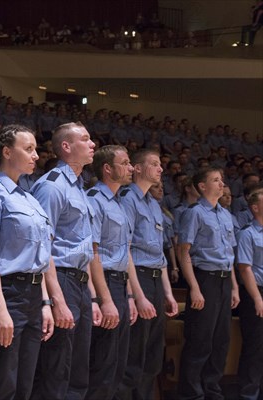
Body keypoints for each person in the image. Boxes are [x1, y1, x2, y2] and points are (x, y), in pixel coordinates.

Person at [0, 125, 54, 400]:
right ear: (6, 151)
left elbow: (38, 259)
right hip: (7, 293)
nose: (35, 155)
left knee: (24, 384)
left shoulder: (29, 199)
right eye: (28, 149)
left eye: (36, 149)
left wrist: (44, 303)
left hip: (31, 294)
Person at [30, 122, 101, 400]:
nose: (93, 144)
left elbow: (83, 249)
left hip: (80, 285)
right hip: (61, 280)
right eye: (85, 139)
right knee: (56, 367)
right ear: (66, 147)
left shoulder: (80, 188)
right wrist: (56, 300)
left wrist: (92, 297)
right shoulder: (52, 187)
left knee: (78, 369)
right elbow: (42, 248)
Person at [117, 149, 178, 400]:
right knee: (134, 351)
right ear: (138, 169)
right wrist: (137, 295)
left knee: (153, 353)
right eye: (154, 164)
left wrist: (168, 293)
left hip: (154, 278)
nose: (161, 169)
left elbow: (159, 255)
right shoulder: (127, 198)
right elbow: (126, 249)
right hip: (137, 277)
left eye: (161, 164)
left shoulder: (155, 204)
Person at [177, 167, 240, 400]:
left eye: (222, 179)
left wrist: (234, 286)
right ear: (202, 186)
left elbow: (229, 255)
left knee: (221, 340)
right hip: (205, 279)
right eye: (215, 180)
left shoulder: (225, 214)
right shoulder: (194, 213)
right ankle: (191, 393)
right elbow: (184, 251)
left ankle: (212, 388)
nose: (221, 183)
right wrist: (194, 287)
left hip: (224, 281)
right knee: (200, 339)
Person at [86, 145, 138, 399]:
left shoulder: (119, 203)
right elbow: (92, 254)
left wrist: (129, 296)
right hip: (104, 282)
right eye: (125, 163)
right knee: (102, 364)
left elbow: (123, 254)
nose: (131, 168)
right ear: (108, 168)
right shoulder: (95, 200)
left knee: (118, 362)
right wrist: (104, 299)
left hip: (120, 284)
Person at [236, 187, 263, 399]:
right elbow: (245, 268)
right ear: (255, 207)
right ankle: (249, 394)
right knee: (255, 348)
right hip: (256, 292)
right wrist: (257, 298)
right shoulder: (247, 233)